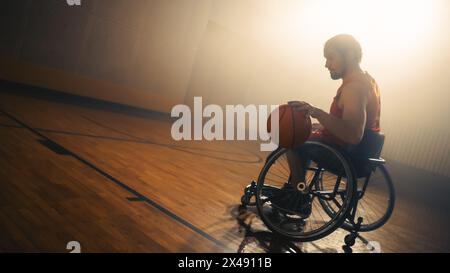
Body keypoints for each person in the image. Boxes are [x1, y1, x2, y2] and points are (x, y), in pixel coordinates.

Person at [275, 34, 381, 215]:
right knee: (304, 134)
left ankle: (298, 196)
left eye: (331, 58)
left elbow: (354, 134)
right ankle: (293, 191)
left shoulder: (354, 88)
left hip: (347, 155)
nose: (326, 64)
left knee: (290, 139)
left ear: (349, 55)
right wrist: (320, 125)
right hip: (357, 153)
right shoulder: (366, 81)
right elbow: (350, 125)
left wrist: (315, 112)